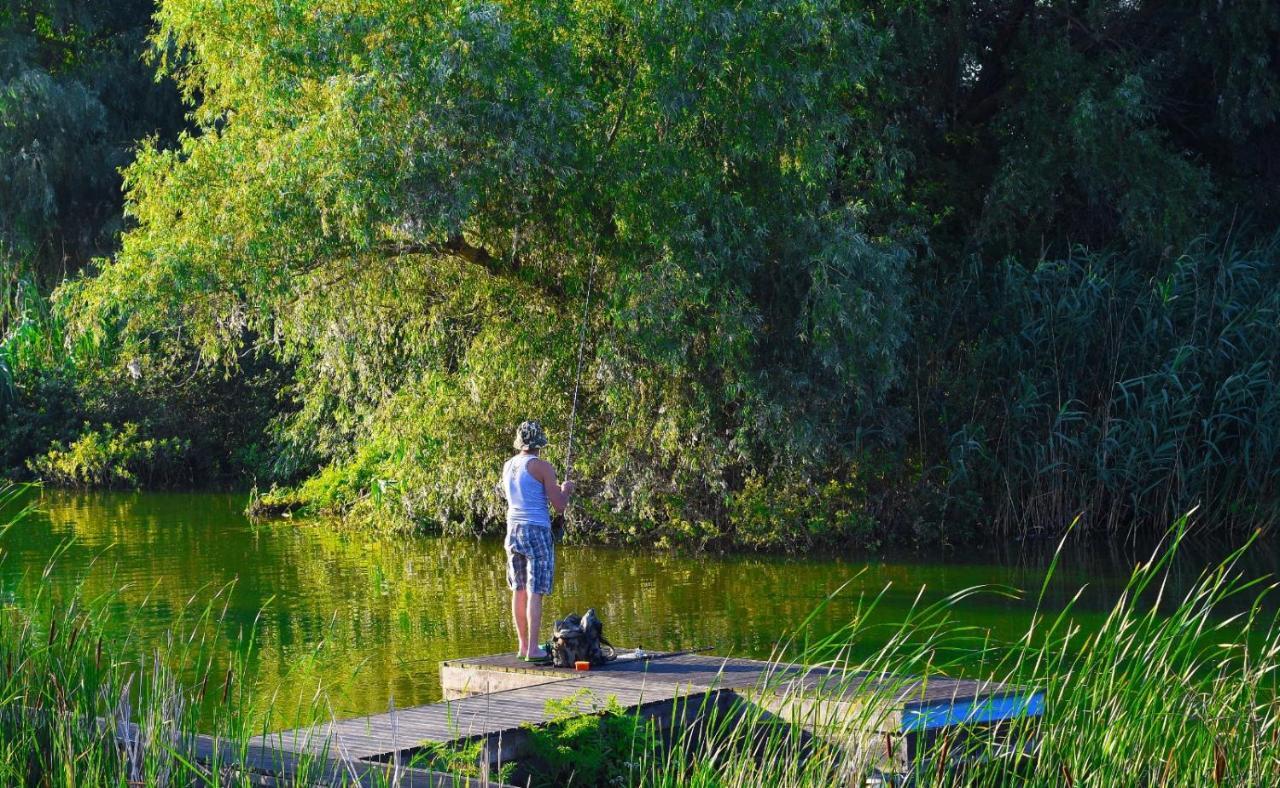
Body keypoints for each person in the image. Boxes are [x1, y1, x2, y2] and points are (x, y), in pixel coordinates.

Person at [498, 420, 575, 660]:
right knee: (535, 590)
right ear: (539, 443)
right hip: (536, 531)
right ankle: (532, 649)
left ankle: (523, 647)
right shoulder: (542, 467)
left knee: (518, 589)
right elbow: (559, 505)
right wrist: (566, 489)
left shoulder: (508, 465)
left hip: (513, 530)